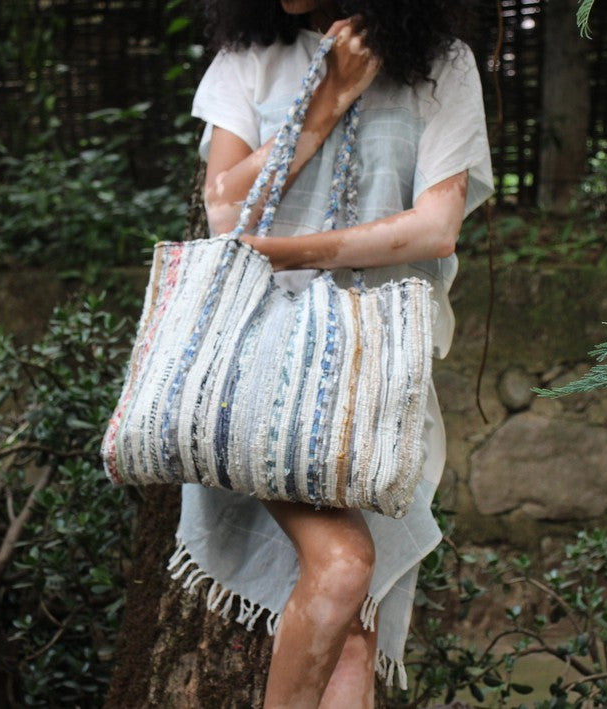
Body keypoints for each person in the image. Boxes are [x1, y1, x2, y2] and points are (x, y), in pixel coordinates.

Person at [168, 1, 493, 706]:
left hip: (379, 379)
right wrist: (327, 102)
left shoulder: (443, 67)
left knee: (354, 629)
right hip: (261, 365)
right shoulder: (250, 60)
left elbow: (436, 228)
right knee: (344, 567)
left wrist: (284, 252)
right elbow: (224, 209)